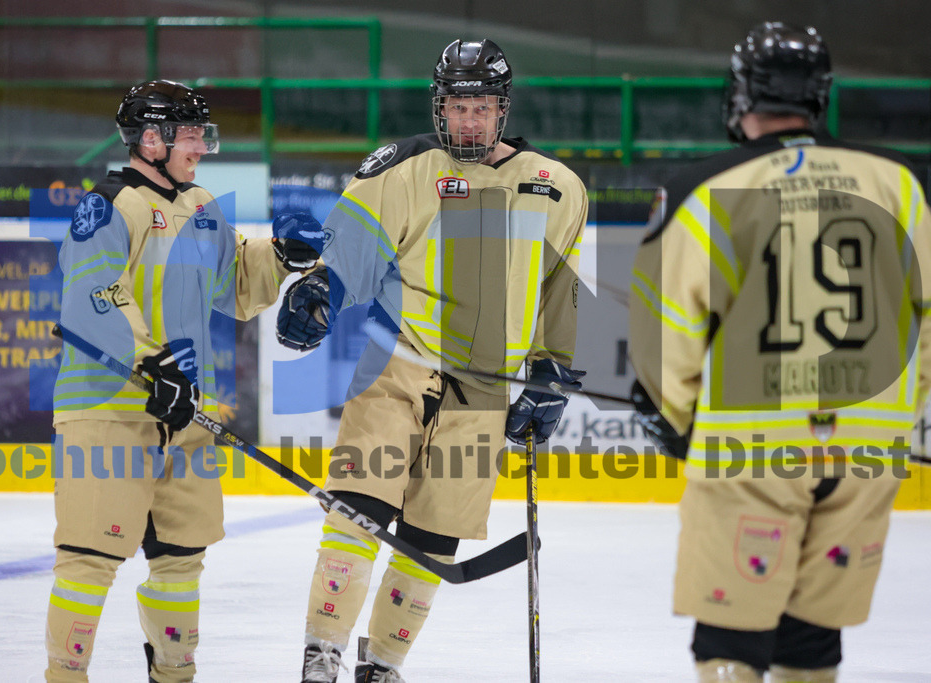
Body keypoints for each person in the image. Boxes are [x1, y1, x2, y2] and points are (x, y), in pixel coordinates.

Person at [276, 39, 588, 682]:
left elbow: (557, 290)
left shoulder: (558, 189)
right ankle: (322, 656)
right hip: (397, 366)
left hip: (486, 389)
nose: (468, 121)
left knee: (432, 540)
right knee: (356, 512)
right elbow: (351, 252)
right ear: (438, 107)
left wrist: (552, 371)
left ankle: (383, 666)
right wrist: (318, 293)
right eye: (456, 107)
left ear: (503, 109)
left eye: (481, 108)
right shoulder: (405, 167)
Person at [628, 22, 931, 683]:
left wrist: (678, 422)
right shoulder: (900, 182)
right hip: (868, 447)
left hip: (750, 443)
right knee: (812, 641)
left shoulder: (703, 188)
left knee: (732, 636)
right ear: (819, 94)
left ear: (741, 96)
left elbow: (662, 330)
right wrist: (899, 412)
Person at [44, 79, 321, 682]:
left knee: (181, 558)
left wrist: (280, 253)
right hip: (109, 408)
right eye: (189, 133)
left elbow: (234, 289)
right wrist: (150, 361)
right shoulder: (112, 204)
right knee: (89, 559)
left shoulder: (201, 207)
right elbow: (93, 289)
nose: (200, 145)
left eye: (201, 133)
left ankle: (174, 675)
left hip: (183, 413)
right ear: (151, 138)